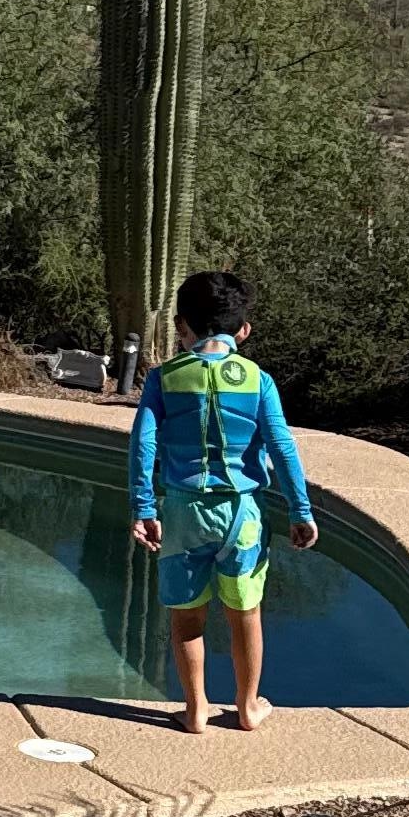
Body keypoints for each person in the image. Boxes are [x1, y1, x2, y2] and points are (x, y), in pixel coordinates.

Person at [127, 269, 317, 734]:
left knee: (186, 614)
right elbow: (281, 445)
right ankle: (248, 707)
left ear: (181, 327)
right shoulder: (258, 380)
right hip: (244, 514)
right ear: (244, 329)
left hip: (183, 511)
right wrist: (300, 509)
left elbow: (143, 444)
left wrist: (144, 507)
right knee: (244, 612)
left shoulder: (165, 378)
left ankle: (195, 710)